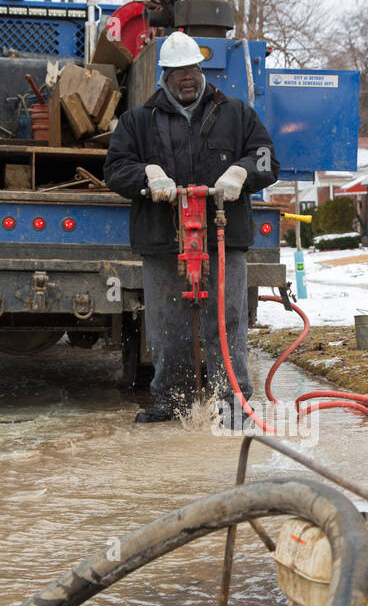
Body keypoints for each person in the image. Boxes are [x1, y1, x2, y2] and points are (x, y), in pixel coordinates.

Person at [103, 32, 279, 423]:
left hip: (223, 238)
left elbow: (267, 160)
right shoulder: (137, 122)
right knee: (168, 326)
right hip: (163, 240)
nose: (187, 77)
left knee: (227, 321)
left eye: (193, 69)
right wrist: (147, 175)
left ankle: (233, 404)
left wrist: (241, 171)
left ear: (202, 69)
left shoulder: (236, 114)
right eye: (178, 71)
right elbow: (114, 170)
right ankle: (173, 402)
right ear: (164, 74)